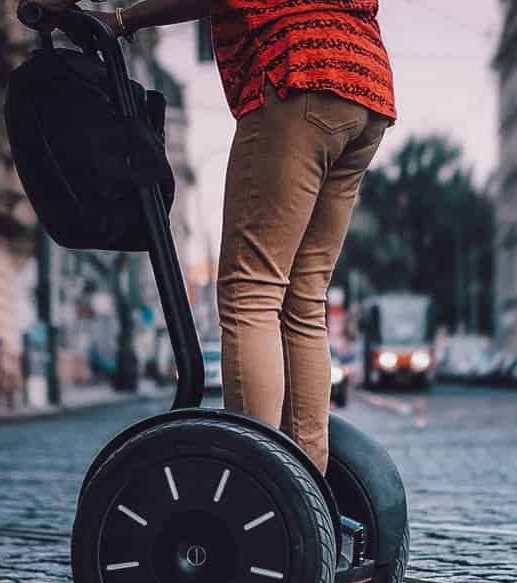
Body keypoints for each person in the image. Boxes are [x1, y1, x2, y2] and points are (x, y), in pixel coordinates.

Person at [39, 0, 395, 473]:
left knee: (251, 288)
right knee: (304, 298)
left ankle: (260, 477)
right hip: (364, 83)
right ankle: (309, 482)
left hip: (298, 70)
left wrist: (124, 20)